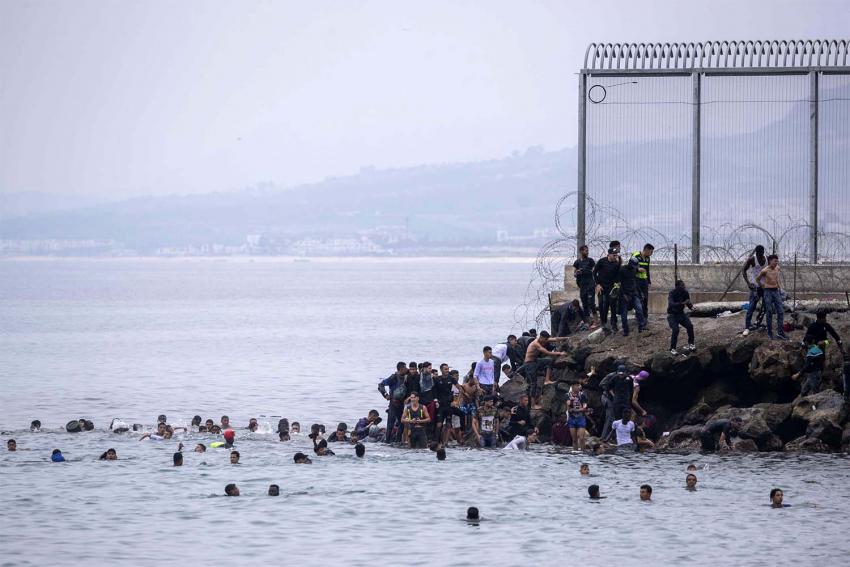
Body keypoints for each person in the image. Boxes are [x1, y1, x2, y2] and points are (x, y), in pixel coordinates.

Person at [523, 331, 562, 409]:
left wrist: (567, 338)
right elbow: (547, 352)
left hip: (535, 361)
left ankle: (547, 380)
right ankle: (533, 405)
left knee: (550, 361)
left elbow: (555, 339)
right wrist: (560, 353)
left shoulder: (544, 339)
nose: (545, 341)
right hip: (529, 364)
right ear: (540, 337)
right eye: (544, 339)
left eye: (546, 339)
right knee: (533, 383)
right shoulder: (536, 343)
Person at [756, 254, 788, 340]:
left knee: (780, 311)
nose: (776, 263)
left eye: (777, 261)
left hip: (776, 291)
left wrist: (780, 287)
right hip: (768, 292)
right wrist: (762, 286)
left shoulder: (778, 268)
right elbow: (757, 279)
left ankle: (780, 332)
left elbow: (777, 278)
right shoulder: (765, 270)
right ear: (770, 261)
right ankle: (770, 333)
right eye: (775, 261)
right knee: (769, 312)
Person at [378, 362, 409, 443]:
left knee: (402, 424)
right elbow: (381, 385)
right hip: (393, 405)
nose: (407, 369)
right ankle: (387, 442)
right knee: (390, 425)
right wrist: (385, 395)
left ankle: (397, 441)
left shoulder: (407, 376)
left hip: (402, 405)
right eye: (405, 368)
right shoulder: (393, 377)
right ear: (401, 369)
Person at [742, 245, 768, 334]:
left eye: (761, 254)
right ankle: (747, 326)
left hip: (765, 287)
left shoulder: (767, 259)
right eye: (758, 254)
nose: (760, 256)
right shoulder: (752, 259)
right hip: (755, 287)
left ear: (763, 252)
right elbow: (743, 270)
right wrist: (748, 283)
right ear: (756, 253)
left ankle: (758, 322)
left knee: (765, 306)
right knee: (752, 306)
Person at [618, 255, 647, 336]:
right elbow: (619, 284)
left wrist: (640, 293)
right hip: (625, 295)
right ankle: (626, 331)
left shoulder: (634, 270)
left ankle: (641, 328)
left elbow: (635, 281)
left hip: (634, 294)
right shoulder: (622, 270)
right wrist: (624, 295)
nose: (634, 267)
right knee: (624, 315)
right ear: (630, 264)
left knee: (639, 309)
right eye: (633, 266)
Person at [593, 248, 621, 332]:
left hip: (611, 287)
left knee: (612, 305)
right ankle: (603, 322)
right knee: (602, 304)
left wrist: (617, 286)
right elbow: (594, 272)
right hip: (601, 286)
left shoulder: (616, 264)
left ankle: (613, 324)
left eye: (616, 255)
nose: (615, 256)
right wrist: (597, 284)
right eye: (614, 255)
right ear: (609, 254)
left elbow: (617, 276)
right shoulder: (602, 261)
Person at [667, 280, 695, 355]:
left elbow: (688, 302)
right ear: (677, 287)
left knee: (690, 326)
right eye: (682, 285)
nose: (684, 287)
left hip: (681, 314)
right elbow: (671, 304)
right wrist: (682, 303)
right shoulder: (672, 293)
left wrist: (692, 307)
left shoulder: (685, 292)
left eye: (684, 285)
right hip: (672, 315)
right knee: (676, 330)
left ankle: (691, 344)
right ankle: (672, 348)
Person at [573, 244, 597, 319]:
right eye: (586, 251)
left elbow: (594, 271)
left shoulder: (590, 261)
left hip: (590, 284)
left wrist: (585, 271)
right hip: (582, 285)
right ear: (581, 251)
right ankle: (588, 319)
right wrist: (577, 273)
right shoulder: (577, 262)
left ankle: (596, 317)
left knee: (591, 303)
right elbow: (574, 273)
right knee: (584, 303)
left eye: (587, 251)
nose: (587, 252)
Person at [631, 244, 654, 317]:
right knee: (638, 299)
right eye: (651, 252)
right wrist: (638, 270)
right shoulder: (636, 256)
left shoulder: (647, 258)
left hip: (644, 281)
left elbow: (647, 269)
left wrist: (649, 281)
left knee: (645, 299)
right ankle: (639, 316)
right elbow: (630, 268)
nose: (651, 254)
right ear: (646, 250)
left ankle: (645, 317)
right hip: (636, 280)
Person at [567, 383, 588, 451]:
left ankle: (583, 452)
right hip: (572, 419)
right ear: (572, 386)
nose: (579, 387)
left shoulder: (582, 395)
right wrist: (577, 409)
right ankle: (575, 453)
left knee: (581, 438)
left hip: (581, 418)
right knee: (574, 439)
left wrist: (576, 410)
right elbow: (569, 409)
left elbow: (585, 407)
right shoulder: (568, 396)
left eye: (579, 385)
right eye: (577, 385)